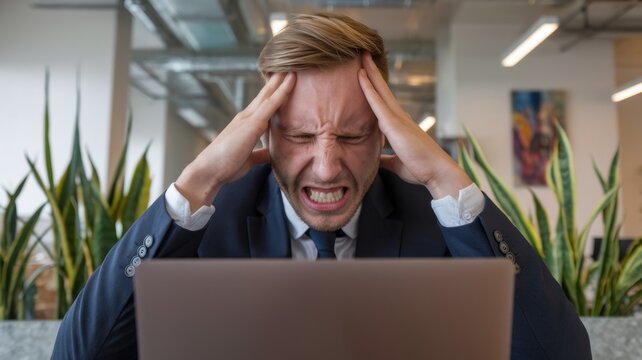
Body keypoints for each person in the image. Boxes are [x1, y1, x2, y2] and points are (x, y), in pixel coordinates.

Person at [52, 13, 591, 359]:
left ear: (385, 130)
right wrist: (196, 183)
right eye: (302, 135)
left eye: (354, 134)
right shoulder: (205, 221)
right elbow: (78, 356)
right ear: (266, 132)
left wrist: (448, 181)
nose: (327, 167)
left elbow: (562, 356)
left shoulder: (441, 221)